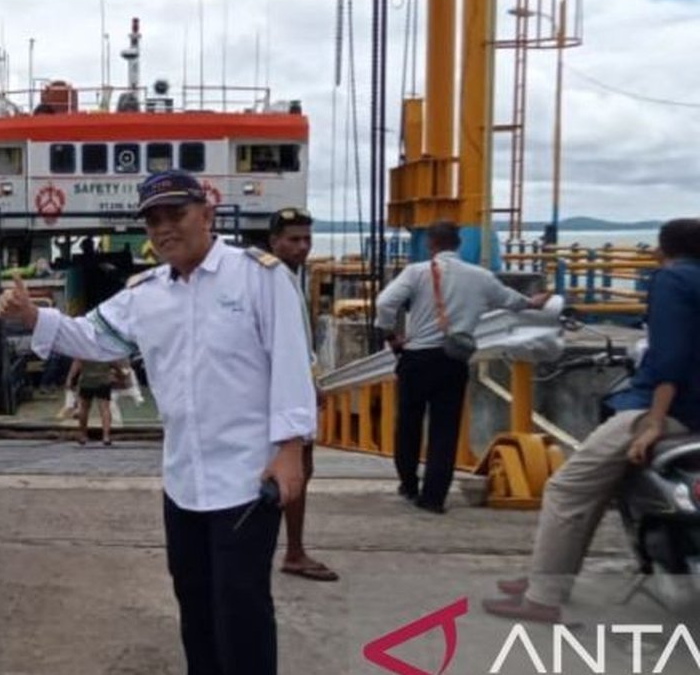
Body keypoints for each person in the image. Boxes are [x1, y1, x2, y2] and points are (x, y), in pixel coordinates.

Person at [0, 170, 316, 675]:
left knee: (242, 607)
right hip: (183, 480)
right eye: (153, 220)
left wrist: (291, 448)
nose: (165, 228)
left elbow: (292, 364)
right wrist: (34, 318)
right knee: (194, 602)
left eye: (176, 215)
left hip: (248, 478)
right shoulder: (146, 292)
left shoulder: (259, 276)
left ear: (207, 215)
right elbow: (94, 337)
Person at [483, 217, 700, 623]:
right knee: (600, 488)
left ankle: (544, 597)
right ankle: (546, 576)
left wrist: (654, 420)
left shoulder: (672, 280)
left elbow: (670, 357)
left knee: (567, 489)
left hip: (663, 410)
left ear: (662, 250)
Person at [375, 220, 549, 514]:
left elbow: (384, 303)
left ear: (431, 244)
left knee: (408, 425)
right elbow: (512, 301)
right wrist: (534, 303)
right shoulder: (480, 277)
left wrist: (391, 336)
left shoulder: (417, 272)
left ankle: (408, 483)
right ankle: (433, 498)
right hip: (453, 359)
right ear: (458, 244)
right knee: (445, 430)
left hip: (417, 358)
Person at [266, 207, 338, 583]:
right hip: (286, 391)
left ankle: (291, 547)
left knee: (299, 471)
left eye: (307, 239)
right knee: (297, 471)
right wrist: (306, 384)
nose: (302, 247)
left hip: (296, 383)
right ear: (273, 241)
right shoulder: (276, 278)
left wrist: (314, 378)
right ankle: (293, 551)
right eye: (293, 239)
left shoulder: (289, 278)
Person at [66, 359, 114, 446]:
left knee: (84, 408)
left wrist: (70, 378)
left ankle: (83, 435)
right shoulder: (105, 347)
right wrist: (121, 373)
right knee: (105, 409)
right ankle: (106, 436)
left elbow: (77, 363)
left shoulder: (83, 347)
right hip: (103, 380)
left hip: (86, 380)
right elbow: (114, 362)